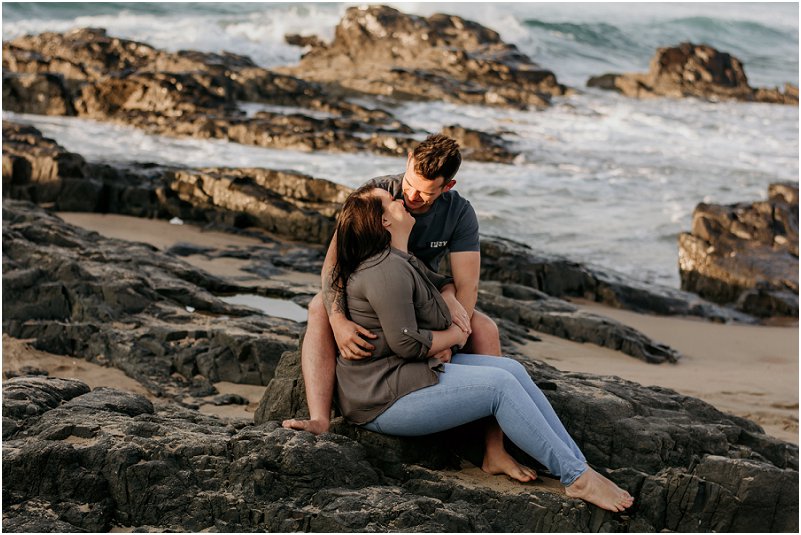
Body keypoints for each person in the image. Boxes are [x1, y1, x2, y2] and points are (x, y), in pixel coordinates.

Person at [323, 185, 634, 512]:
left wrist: (449, 301)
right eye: (392, 202)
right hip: (381, 398)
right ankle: (576, 477)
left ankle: (579, 465)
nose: (401, 200)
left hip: (404, 375)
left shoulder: (401, 259)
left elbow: (441, 282)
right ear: (385, 222)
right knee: (499, 386)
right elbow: (406, 343)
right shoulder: (385, 271)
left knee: (512, 369)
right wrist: (455, 336)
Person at [283, 134, 532, 482]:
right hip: (370, 295)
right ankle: (319, 418)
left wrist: (453, 338)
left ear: (448, 186)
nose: (412, 196)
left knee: (487, 330)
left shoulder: (459, 212)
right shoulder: (377, 196)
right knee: (318, 307)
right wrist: (338, 321)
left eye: (425, 192)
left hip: (425, 297)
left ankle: (494, 449)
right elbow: (333, 267)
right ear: (408, 161)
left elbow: (467, 285)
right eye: (410, 183)